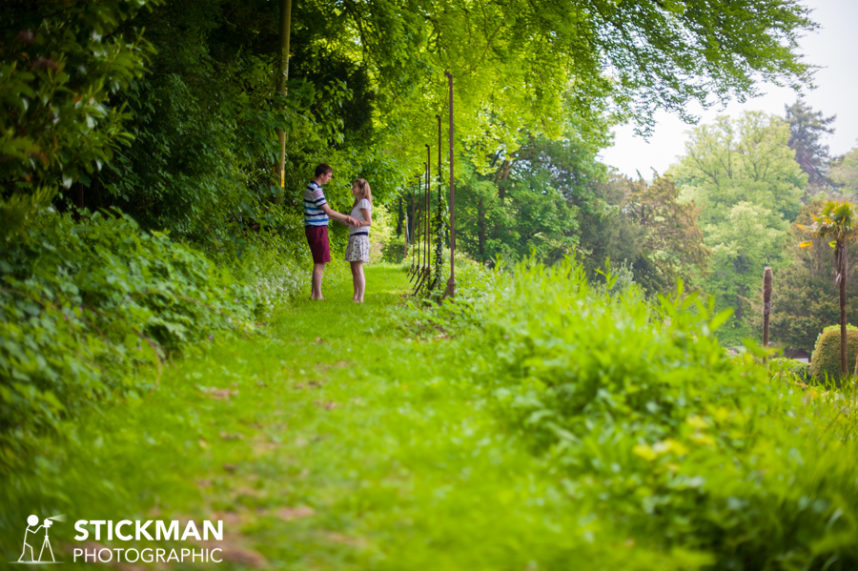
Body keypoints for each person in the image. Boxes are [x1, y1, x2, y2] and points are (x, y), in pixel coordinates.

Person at [304, 163, 356, 300]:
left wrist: (341, 220)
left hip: (315, 228)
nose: (329, 179)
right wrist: (347, 217)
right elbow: (328, 211)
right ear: (322, 175)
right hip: (316, 229)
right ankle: (317, 295)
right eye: (329, 176)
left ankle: (314, 294)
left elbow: (326, 213)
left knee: (319, 261)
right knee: (320, 262)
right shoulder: (315, 189)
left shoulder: (313, 187)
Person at [345, 178, 372, 303]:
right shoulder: (357, 203)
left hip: (360, 237)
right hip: (354, 236)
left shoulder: (364, 203)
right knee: (353, 268)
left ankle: (360, 297)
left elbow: (368, 222)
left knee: (358, 267)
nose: (352, 189)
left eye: (355, 187)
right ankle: (355, 296)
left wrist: (356, 222)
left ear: (361, 189)